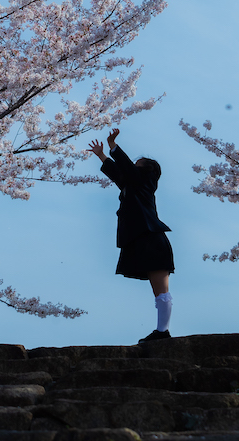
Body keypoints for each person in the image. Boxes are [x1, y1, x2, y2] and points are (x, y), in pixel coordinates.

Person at [88, 127, 174, 342]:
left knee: (161, 291)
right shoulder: (131, 186)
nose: (133, 167)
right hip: (143, 238)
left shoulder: (146, 182)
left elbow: (127, 170)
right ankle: (162, 331)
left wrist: (113, 147)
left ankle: (163, 332)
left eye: (138, 164)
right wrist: (101, 155)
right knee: (158, 291)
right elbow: (120, 174)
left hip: (153, 238)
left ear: (148, 171)